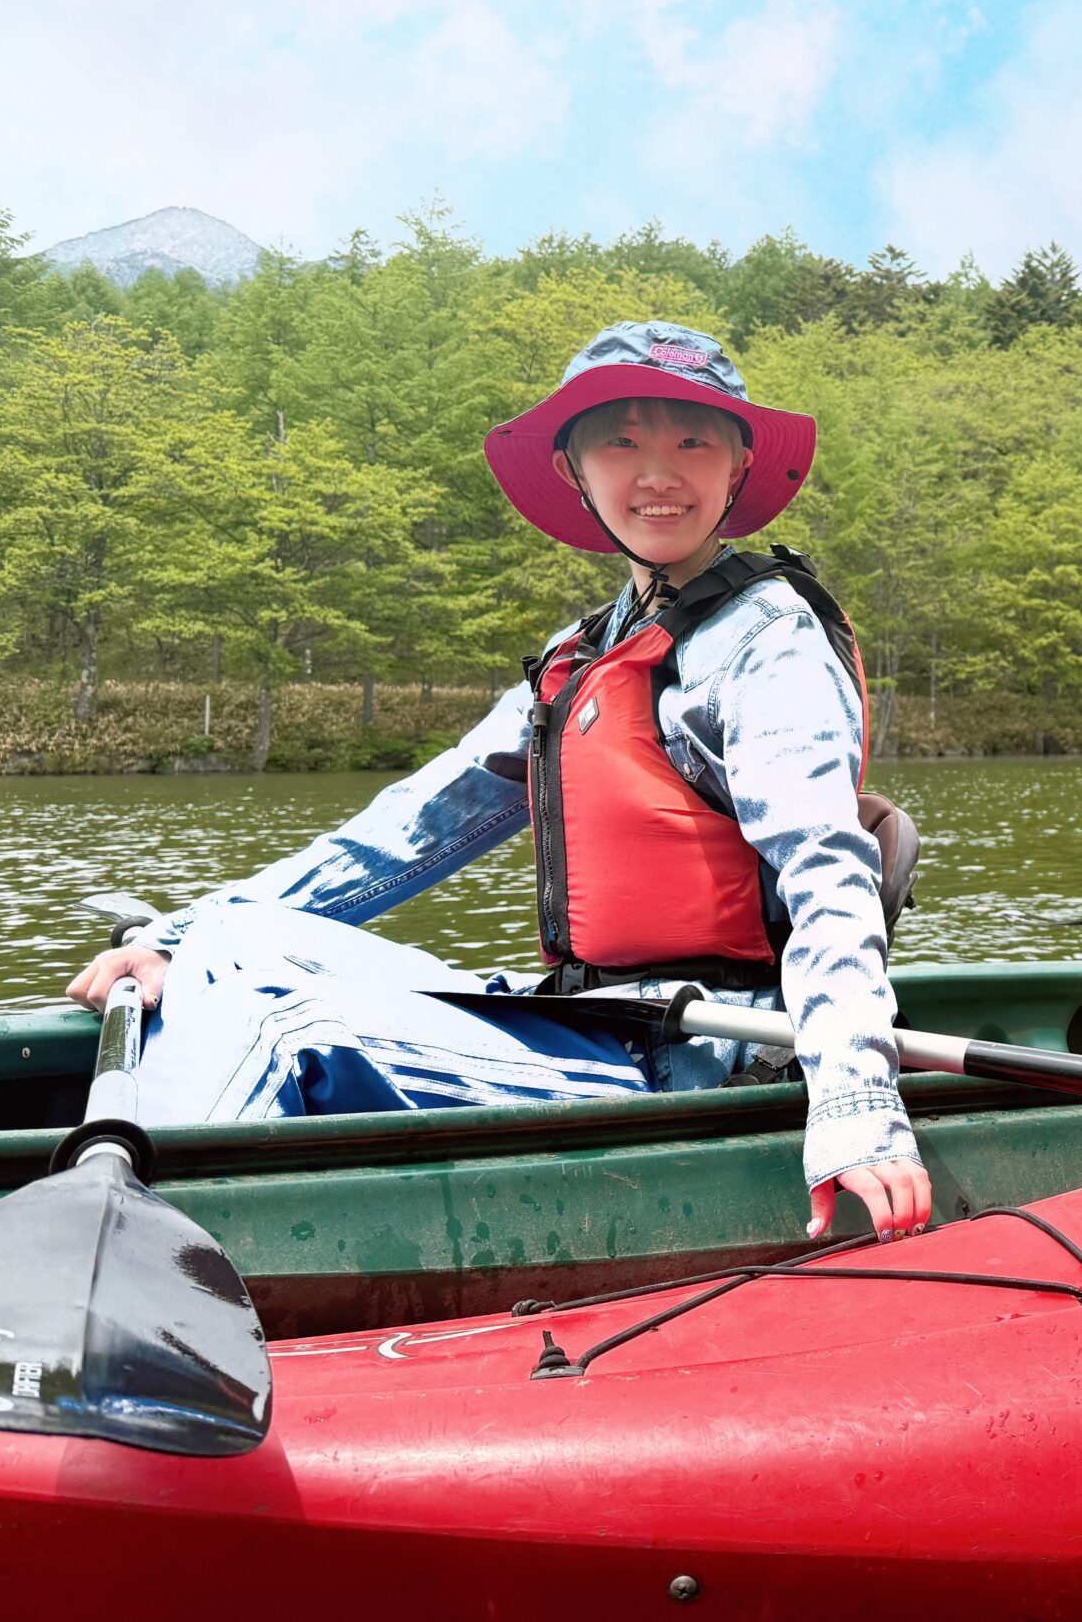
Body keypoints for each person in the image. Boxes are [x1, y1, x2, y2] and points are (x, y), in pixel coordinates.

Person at [65, 322, 931, 1243]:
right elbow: (411, 828)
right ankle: (140, 1189)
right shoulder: (583, 653)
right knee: (231, 939)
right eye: (621, 443)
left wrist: (857, 1103)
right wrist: (180, 936)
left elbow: (826, 868)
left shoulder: (770, 642)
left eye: (692, 441)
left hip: (700, 1048)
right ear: (574, 470)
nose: (658, 474)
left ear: (738, 464)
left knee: (280, 1029)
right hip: (593, 1016)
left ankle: (129, 1249)